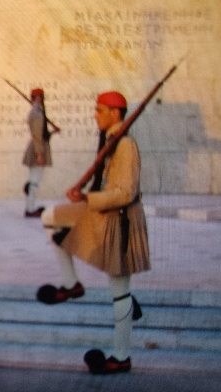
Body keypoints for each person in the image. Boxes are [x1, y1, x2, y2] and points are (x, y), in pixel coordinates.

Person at [37, 91, 149, 375]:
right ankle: (71, 283)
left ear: (115, 113)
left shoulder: (125, 144)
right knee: (51, 217)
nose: (94, 115)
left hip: (121, 220)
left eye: (99, 110)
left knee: (119, 289)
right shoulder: (111, 139)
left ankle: (121, 356)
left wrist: (88, 199)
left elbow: (125, 193)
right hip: (104, 214)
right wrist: (86, 196)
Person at [22, 88, 52, 218]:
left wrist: (51, 132)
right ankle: (30, 209)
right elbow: (37, 135)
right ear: (38, 98)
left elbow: (41, 133)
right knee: (34, 181)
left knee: (34, 180)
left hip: (38, 147)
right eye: (42, 97)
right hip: (37, 149)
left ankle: (30, 207)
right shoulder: (36, 113)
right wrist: (39, 153)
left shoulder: (38, 111)